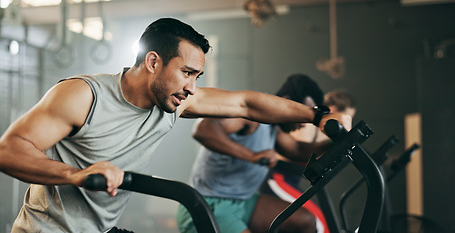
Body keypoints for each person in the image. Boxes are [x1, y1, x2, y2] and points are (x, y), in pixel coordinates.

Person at [0, 18, 350, 233]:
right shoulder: (83, 96)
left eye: (197, 77)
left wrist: (317, 116)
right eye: (186, 73)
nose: (192, 87)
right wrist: (74, 175)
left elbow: (246, 103)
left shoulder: (174, 102)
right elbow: (9, 150)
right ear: (153, 62)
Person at [177, 74, 332, 233]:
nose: (303, 124)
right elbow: (203, 130)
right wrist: (251, 155)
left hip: (243, 202)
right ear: (288, 102)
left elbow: (298, 150)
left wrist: (335, 141)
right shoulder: (252, 118)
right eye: (302, 115)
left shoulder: (274, 128)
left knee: (304, 222)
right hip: (207, 204)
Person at [260, 88, 357, 233]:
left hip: (290, 180)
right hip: (278, 179)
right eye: (347, 117)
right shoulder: (306, 126)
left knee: (322, 223)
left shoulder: (320, 132)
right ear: (334, 109)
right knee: (319, 224)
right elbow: (296, 152)